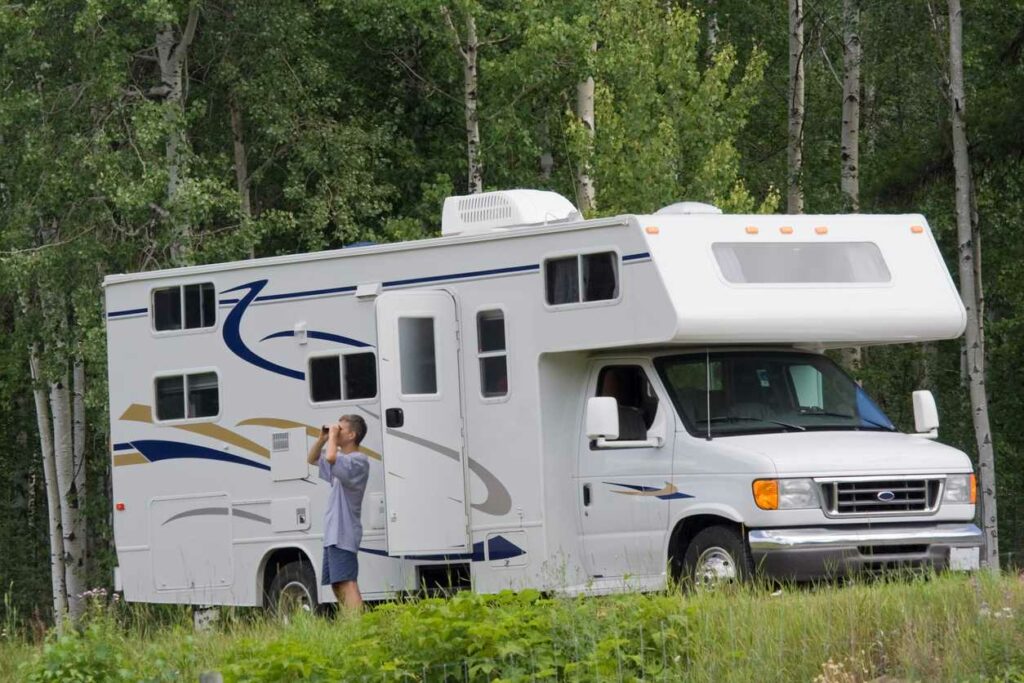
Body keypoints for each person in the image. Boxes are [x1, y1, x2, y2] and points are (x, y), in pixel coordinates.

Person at [306, 414, 370, 613]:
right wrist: (322, 439)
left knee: (347, 582)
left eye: (340, 429)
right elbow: (312, 458)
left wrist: (332, 438)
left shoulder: (358, 462)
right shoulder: (343, 461)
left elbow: (331, 457)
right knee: (337, 583)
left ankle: (360, 626)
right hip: (334, 532)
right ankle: (352, 622)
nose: (335, 430)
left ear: (351, 435)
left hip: (344, 532)